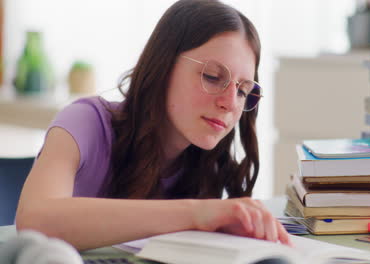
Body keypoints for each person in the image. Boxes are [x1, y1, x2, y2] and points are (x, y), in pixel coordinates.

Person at [16, 0, 291, 251]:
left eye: (243, 91)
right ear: (164, 65)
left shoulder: (208, 162)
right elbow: (35, 221)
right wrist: (198, 214)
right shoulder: (85, 122)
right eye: (212, 76)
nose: (230, 103)